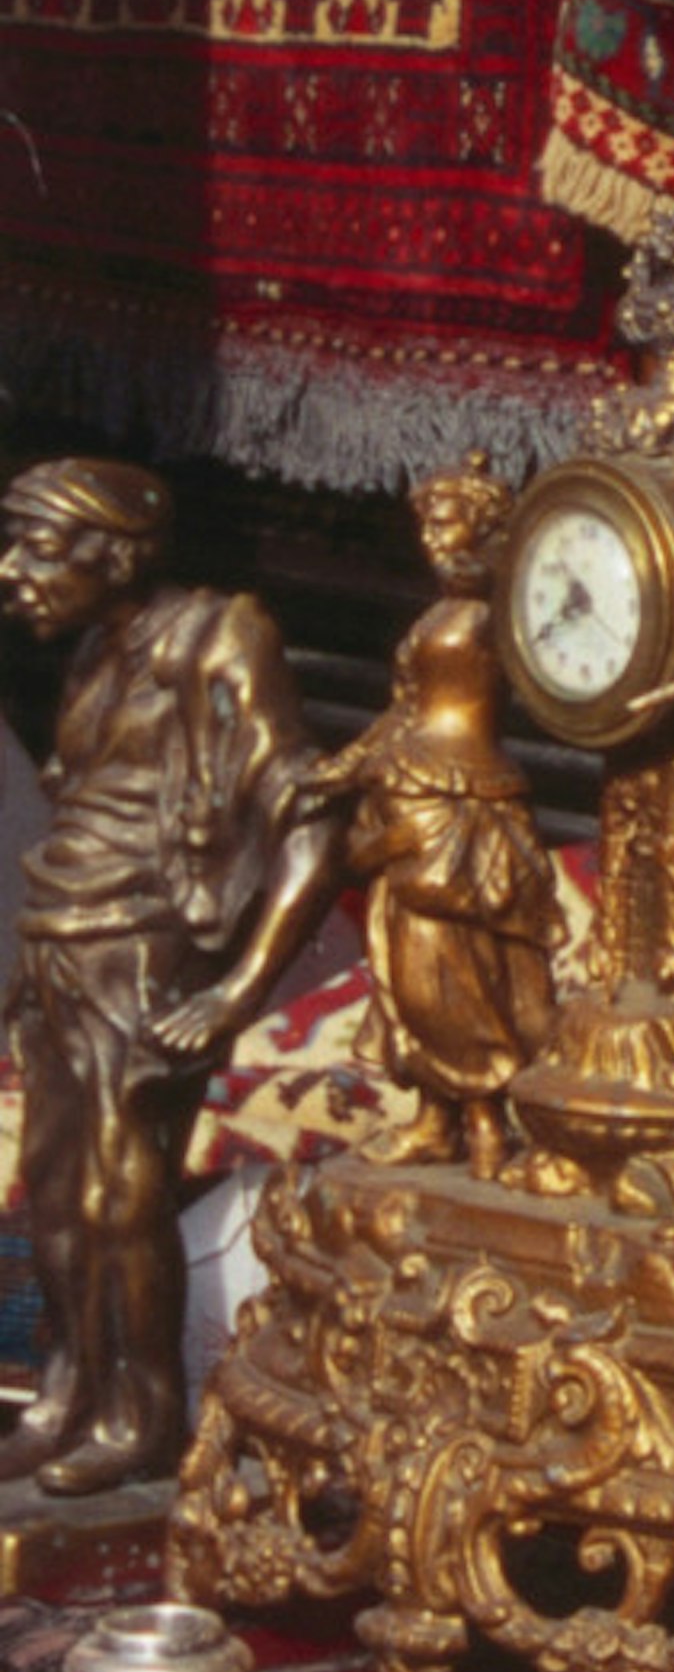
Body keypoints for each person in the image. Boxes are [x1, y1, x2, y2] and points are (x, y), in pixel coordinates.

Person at [0, 456, 331, 1491]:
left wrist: (241, 989)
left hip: (146, 954)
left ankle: (141, 1414)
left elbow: (308, 819)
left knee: (117, 1189)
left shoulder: (219, 635)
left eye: (41, 546)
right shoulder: (96, 643)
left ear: (116, 553)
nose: (14, 570)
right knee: (53, 1190)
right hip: (66, 937)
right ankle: (67, 1391)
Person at [305, 463, 560, 1175]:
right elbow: (404, 713)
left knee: (452, 966)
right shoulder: (432, 617)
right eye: (426, 524)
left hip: (464, 805)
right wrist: (342, 768)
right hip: (406, 793)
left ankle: (485, 1120)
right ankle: (433, 1118)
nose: (433, 538)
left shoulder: (501, 612)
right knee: (399, 965)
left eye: (448, 522)